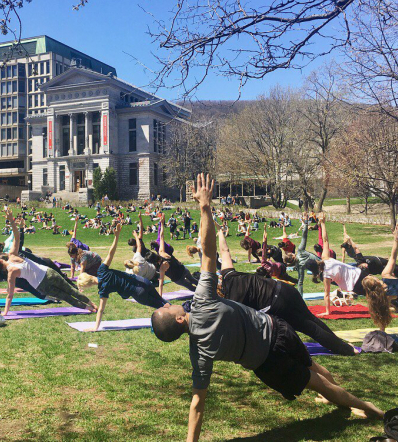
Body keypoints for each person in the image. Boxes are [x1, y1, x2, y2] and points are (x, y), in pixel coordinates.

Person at [151, 174, 383, 442]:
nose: (168, 303)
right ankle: (364, 408)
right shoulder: (203, 302)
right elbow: (209, 252)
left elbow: (197, 403)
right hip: (278, 331)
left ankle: (362, 407)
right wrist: (204, 206)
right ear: (179, 320)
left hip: (269, 359)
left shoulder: (199, 352)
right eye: (167, 308)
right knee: (317, 374)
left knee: (317, 381)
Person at [217, 228, 355, 355]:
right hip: (285, 289)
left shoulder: (232, 303)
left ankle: (346, 349)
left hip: (278, 304)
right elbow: (224, 251)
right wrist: (220, 232)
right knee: (312, 319)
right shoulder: (228, 275)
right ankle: (340, 343)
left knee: (310, 328)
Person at [0, 209, 97, 316]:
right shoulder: (12, 255)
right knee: (71, 290)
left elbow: (9, 296)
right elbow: (17, 236)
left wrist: (6, 312)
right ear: (0, 260)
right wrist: (11, 221)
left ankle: (89, 308)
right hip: (48, 273)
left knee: (66, 297)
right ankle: (92, 304)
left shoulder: (10, 274)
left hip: (41, 286)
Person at [78, 223, 168, 332]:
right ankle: (184, 313)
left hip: (138, 292)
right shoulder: (102, 270)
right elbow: (111, 252)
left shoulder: (103, 289)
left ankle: (179, 319)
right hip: (143, 281)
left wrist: (95, 327)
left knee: (162, 307)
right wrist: (116, 236)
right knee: (164, 302)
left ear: (89, 285)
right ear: (89, 275)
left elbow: (101, 310)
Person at [316, 213, 368, 317]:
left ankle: (395, 305)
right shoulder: (325, 258)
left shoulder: (326, 276)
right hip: (360, 272)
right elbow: (325, 240)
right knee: (381, 289)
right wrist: (322, 223)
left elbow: (326, 295)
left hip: (355, 284)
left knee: (375, 296)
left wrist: (327, 311)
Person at [149, 214, 199, 295]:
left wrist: (160, 296)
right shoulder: (162, 252)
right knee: (193, 280)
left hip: (178, 278)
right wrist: (161, 223)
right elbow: (161, 236)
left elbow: (161, 283)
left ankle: (203, 294)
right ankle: (208, 291)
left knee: (190, 287)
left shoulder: (160, 267)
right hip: (183, 269)